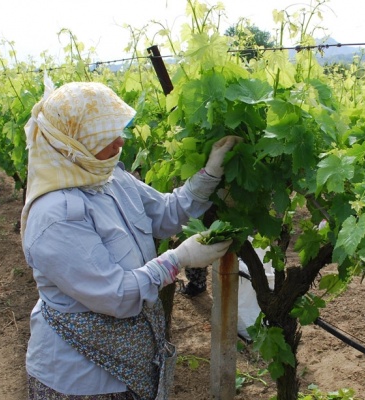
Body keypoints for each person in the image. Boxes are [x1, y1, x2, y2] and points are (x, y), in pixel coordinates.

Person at [20, 78, 241, 399]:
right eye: (106, 134)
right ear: (73, 140)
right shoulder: (54, 216)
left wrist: (210, 174)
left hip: (131, 365)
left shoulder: (110, 177)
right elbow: (117, 296)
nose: (120, 142)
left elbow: (166, 213)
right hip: (80, 383)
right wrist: (178, 260)